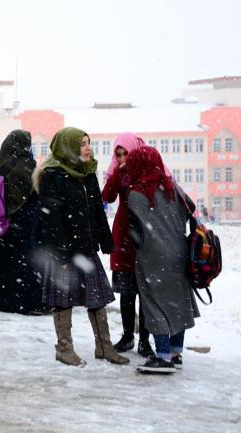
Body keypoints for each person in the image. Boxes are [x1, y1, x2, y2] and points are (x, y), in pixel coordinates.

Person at [37, 127, 129, 366]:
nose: (88, 148)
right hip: (64, 251)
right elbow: (52, 218)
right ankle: (64, 348)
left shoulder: (87, 173)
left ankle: (104, 347)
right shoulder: (53, 175)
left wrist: (106, 240)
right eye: (82, 144)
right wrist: (62, 254)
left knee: (97, 297)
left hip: (87, 248)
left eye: (89, 143)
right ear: (68, 147)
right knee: (63, 299)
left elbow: (97, 210)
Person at [125, 146, 200, 373]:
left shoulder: (136, 194)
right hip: (179, 253)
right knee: (177, 301)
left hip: (151, 256)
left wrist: (145, 242)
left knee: (154, 303)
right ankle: (176, 352)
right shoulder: (172, 188)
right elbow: (192, 208)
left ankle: (163, 356)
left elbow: (133, 232)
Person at [101, 133, 155, 358]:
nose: (122, 157)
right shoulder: (120, 174)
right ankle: (127, 336)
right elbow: (107, 196)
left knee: (145, 291)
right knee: (126, 291)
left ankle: (144, 339)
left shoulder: (147, 172)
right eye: (118, 154)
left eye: (126, 153)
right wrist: (116, 173)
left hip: (145, 234)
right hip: (124, 234)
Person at [0, 130, 48, 314]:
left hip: (1, 217)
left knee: (2, 260)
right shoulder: (28, 165)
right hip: (24, 219)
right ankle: (29, 301)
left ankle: (3, 298)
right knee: (26, 261)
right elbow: (34, 192)